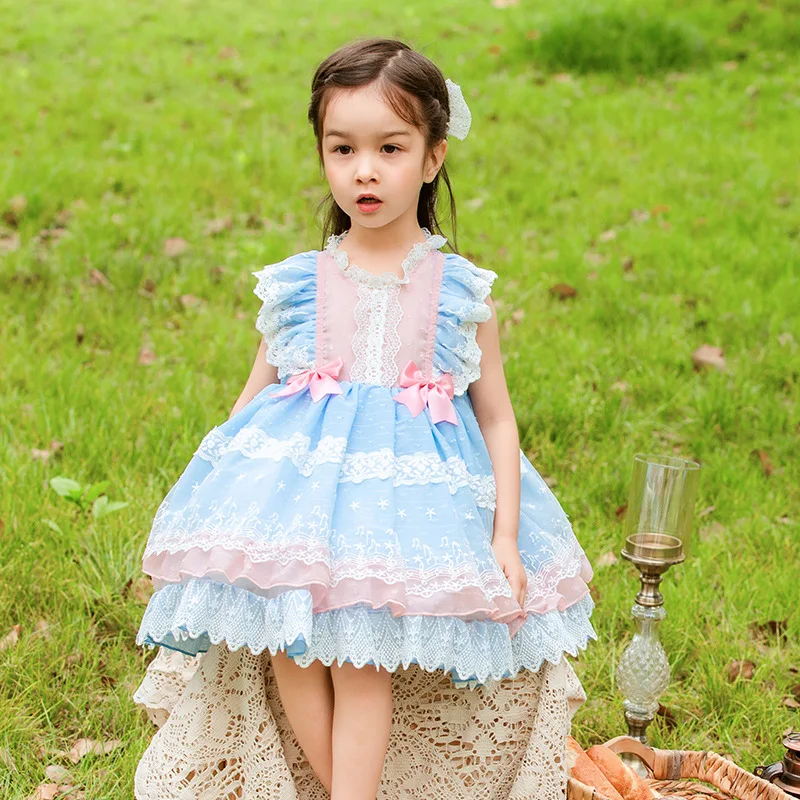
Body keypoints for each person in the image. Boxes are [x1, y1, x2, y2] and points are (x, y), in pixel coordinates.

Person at [132, 36, 596, 800]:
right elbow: (251, 401)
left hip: (401, 512)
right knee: (288, 647)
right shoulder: (301, 286)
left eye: (390, 148)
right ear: (322, 152)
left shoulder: (456, 292)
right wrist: (216, 500)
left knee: (360, 659)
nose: (365, 171)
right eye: (342, 148)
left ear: (433, 156)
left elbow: (497, 419)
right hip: (300, 505)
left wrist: (505, 536)